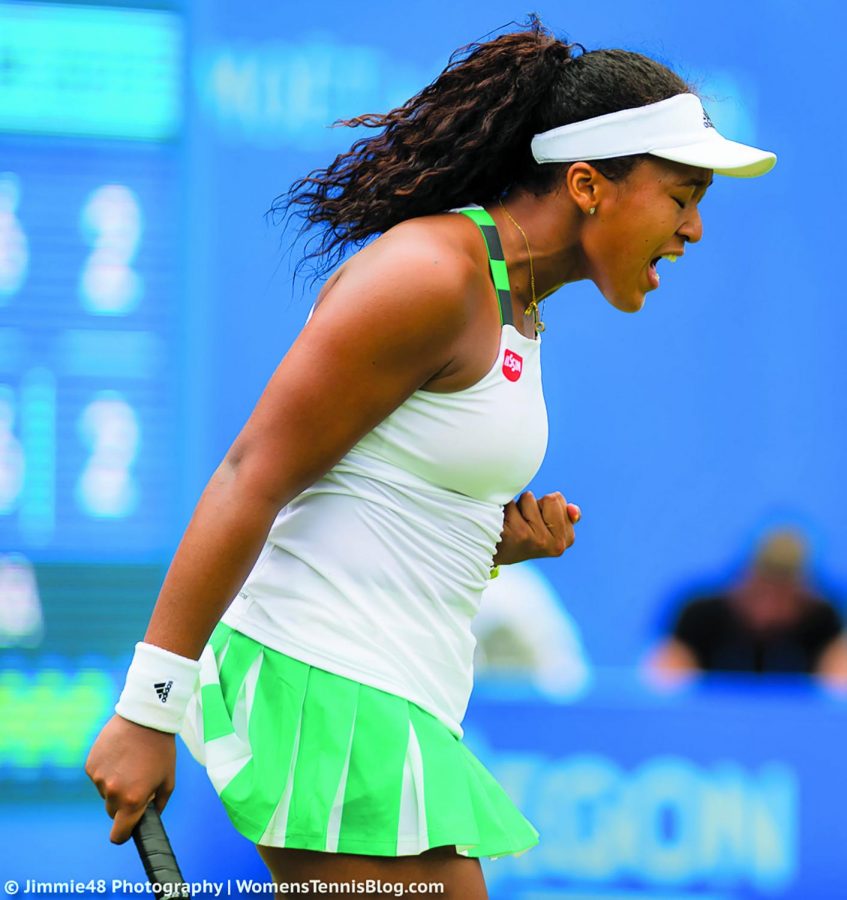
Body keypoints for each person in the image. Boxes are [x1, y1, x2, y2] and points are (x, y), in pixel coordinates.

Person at [85, 17, 776, 899]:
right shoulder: (432, 275)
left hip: (385, 697)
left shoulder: (513, 298)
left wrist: (488, 546)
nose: (692, 231)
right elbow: (252, 475)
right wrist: (148, 707)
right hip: (320, 685)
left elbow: (369, 497)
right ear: (587, 184)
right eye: (682, 196)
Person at [651, 529, 847, 683]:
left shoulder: (822, 621)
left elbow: (839, 686)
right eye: (761, 591)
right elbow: (663, 682)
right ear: (743, 581)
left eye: (783, 596)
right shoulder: (700, 617)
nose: (770, 607)